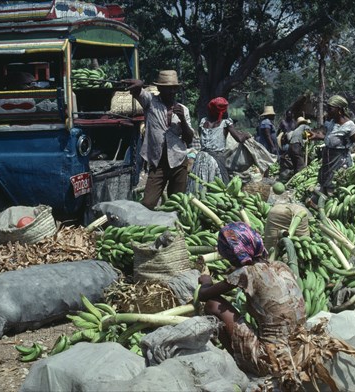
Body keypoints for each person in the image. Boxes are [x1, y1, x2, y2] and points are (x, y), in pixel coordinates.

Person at [197, 222, 306, 377]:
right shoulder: (280, 265)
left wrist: (206, 280)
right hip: (301, 347)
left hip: (272, 360)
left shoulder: (246, 272)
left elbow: (204, 295)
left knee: (213, 305)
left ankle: (241, 363)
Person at [124, 70, 195, 210]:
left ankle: (173, 229)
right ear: (160, 88)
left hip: (178, 161)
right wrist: (140, 84)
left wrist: (182, 120)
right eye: (167, 88)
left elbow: (188, 139)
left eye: (174, 88)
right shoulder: (150, 102)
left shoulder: (183, 110)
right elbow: (138, 91)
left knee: (176, 204)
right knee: (148, 203)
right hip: (158, 162)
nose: (171, 92)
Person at [306, 95, 355, 206]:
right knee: (324, 188)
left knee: (335, 192)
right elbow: (330, 138)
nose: (327, 111)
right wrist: (315, 136)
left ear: (339, 110)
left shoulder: (349, 126)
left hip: (340, 163)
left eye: (330, 108)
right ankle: (322, 209)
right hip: (328, 163)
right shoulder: (332, 124)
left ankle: (333, 214)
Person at [187, 97, 251, 192]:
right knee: (218, 186)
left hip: (201, 158)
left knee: (199, 185)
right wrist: (246, 135)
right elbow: (239, 138)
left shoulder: (203, 122)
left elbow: (203, 138)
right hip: (216, 159)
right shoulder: (226, 122)